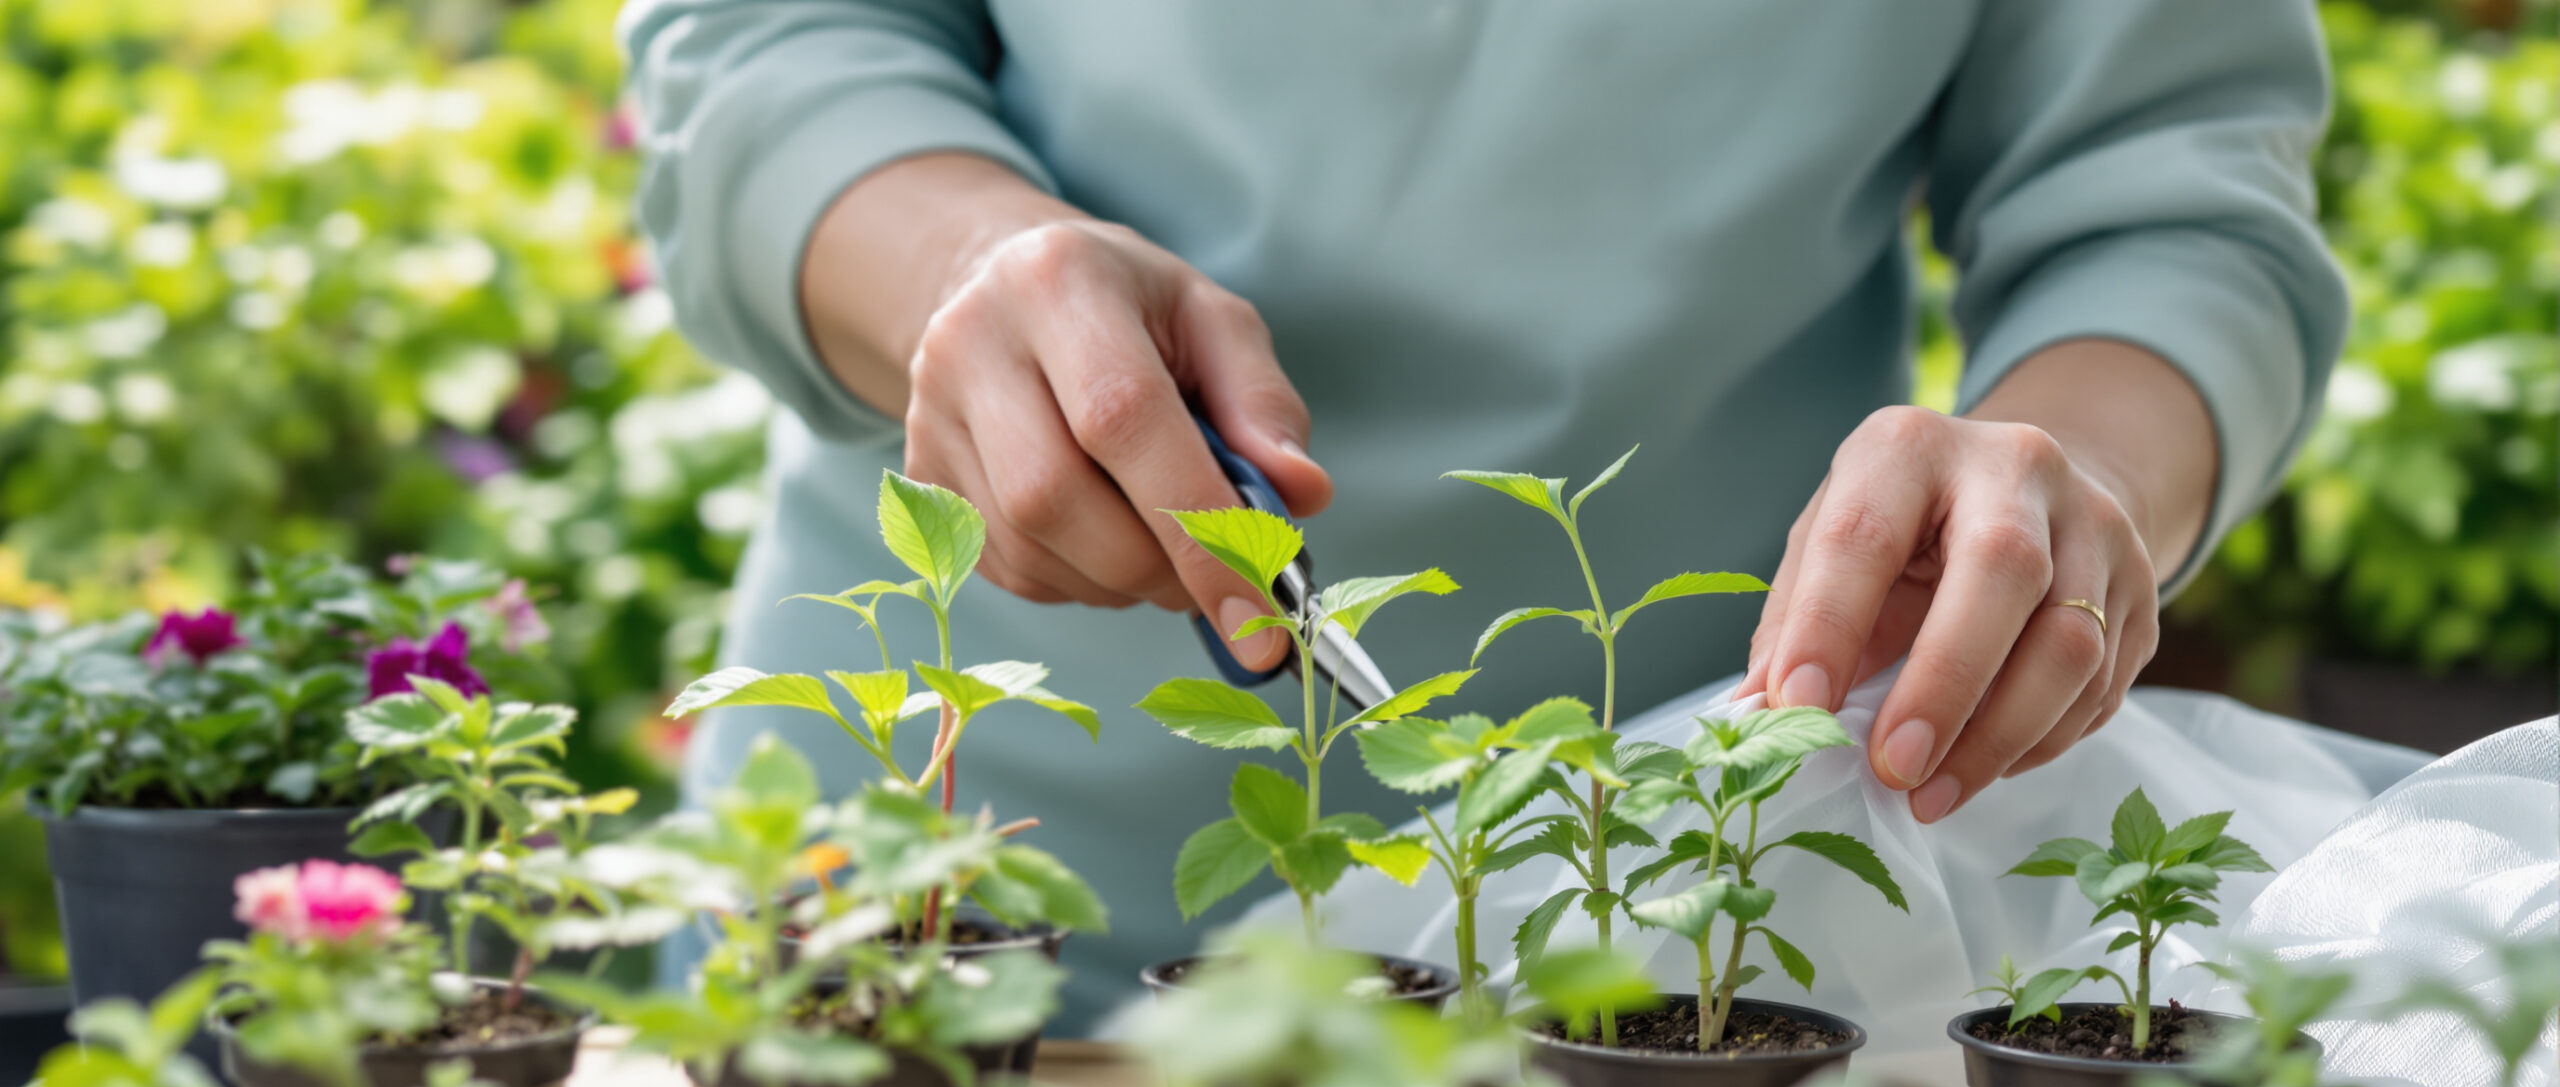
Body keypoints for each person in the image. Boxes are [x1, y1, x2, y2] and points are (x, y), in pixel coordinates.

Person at [623, 0, 2345, 1027]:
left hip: (1674, 932)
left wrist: (2069, 476)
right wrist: (960, 267)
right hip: (940, 894)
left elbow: (2166, 192)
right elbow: (772, 49)